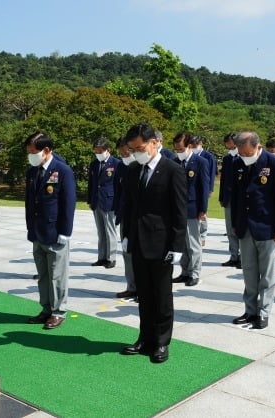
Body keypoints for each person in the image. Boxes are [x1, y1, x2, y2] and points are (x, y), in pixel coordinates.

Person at [120, 123, 187, 364]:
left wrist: (177, 246)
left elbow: (180, 212)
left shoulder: (172, 170)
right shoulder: (133, 170)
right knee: (144, 295)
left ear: (155, 142)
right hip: (138, 240)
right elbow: (129, 206)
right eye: (133, 149)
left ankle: (161, 342)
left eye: (140, 147)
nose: (137, 152)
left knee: (161, 296)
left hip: (162, 243)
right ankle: (145, 338)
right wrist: (126, 234)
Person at [231, 131, 275, 329]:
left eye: (248, 153)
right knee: (249, 272)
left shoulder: (274, 162)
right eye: (241, 153)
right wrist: (235, 224)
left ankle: (263, 312)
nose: (245, 156)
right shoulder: (238, 163)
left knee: (267, 274)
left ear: (257, 146)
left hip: (267, 226)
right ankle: (250, 310)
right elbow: (237, 196)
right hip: (245, 226)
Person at [24, 131, 76, 330]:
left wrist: (65, 232)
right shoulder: (32, 171)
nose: (30, 155)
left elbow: (68, 204)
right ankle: (46, 308)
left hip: (55, 232)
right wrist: (30, 229)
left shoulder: (62, 171)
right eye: (28, 152)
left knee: (57, 275)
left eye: (33, 152)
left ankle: (58, 311)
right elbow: (30, 203)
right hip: (38, 232)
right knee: (43, 274)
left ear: (46, 151)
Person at [171, 132, 209, 287]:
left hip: (193, 208)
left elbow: (204, 188)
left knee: (193, 244)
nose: (179, 152)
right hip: (177, 209)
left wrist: (203, 209)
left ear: (189, 146)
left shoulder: (200, 162)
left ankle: (195, 273)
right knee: (182, 244)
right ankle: (185, 271)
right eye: (177, 150)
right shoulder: (175, 162)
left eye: (181, 149)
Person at [87, 137, 120, 269]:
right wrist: (90, 199)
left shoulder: (116, 164)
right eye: (96, 151)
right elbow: (91, 184)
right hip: (97, 201)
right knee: (101, 232)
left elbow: (118, 185)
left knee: (110, 231)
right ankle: (102, 257)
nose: (98, 153)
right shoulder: (94, 164)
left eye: (100, 151)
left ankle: (111, 258)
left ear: (108, 150)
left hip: (109, 201)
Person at [113, 136, 136, 300]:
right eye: (121, 154)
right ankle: (132, 286)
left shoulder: (144, 167)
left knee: (141, 256)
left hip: (141, 219)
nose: (124, 157)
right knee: (127, 253)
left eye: (126, 153)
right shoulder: (121, 167)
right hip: (126, 217)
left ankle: (143, 289)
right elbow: (118, 190)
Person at [219, 133, 241, 268]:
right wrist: (222, 197)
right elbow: (223, 179)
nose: (228, 146)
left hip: (241, 200)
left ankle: (243, 258)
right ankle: (234, 256)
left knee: (240, 229)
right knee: (230, 229)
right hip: (229, 198)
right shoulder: (227, 159)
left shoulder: (245, 157)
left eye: (229, 143)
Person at [192, 135, 216, 246]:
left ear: (201, 144)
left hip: (204, 187)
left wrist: (210, 189)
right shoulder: (191, 156)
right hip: (193, 188)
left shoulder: (208, 156)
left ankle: (203, 235)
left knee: (203, 211)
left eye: (196, 145)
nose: (194, 147)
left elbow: (211, 173)